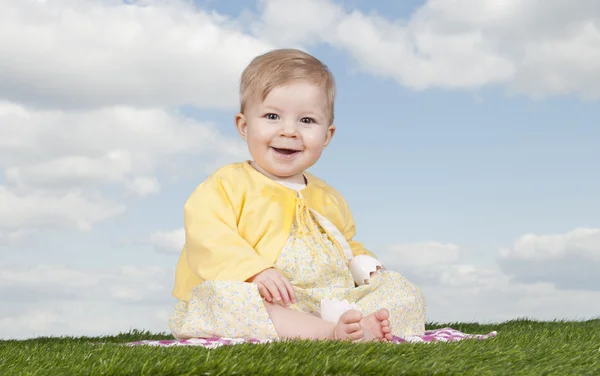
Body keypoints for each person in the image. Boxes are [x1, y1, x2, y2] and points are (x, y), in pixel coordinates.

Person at [168, 48, 426, 342]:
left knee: (402, 290)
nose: (289, 131)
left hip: (326, 299)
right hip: (270, 299)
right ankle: (330, 333)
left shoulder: (329, 196)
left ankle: (352, 325)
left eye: (306, 121)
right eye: (272, 116)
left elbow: (346, 243)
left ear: (326, 136)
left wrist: (369, 270)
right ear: (244, 125)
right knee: (219, 297)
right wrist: (255, 272)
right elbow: (208, 236)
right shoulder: (226, 185)